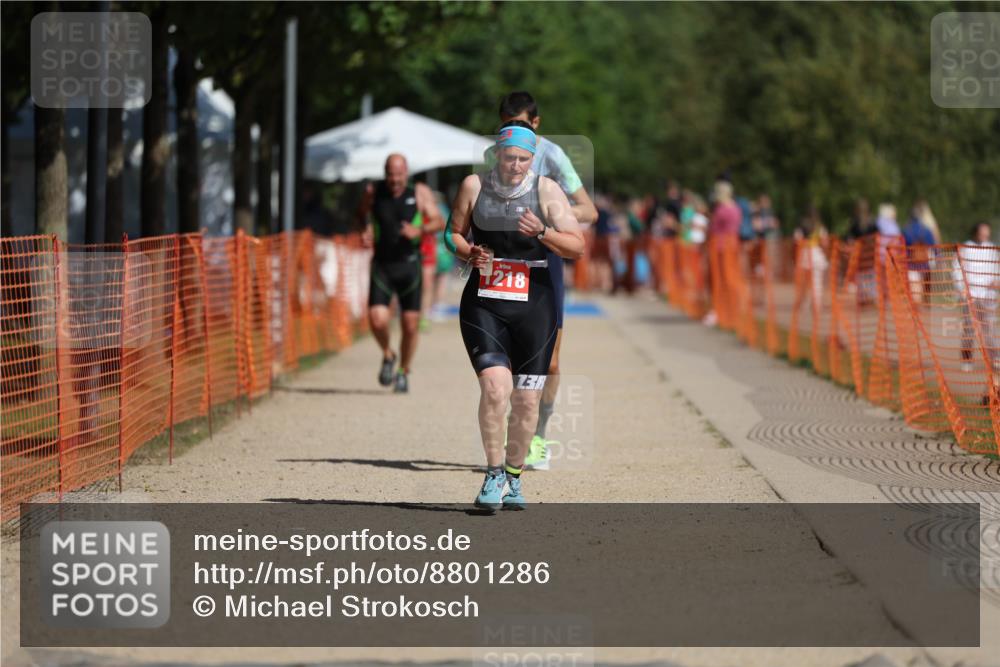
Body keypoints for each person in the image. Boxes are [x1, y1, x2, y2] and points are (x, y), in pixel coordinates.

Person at [450, 121, 584, 510]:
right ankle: (492, 475)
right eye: (510, 158)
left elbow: (577, 246)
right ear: (497, 155)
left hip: (535, 305)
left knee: (526, 401)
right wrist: (467, 251)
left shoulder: (547, 190)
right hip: (485, 301)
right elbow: (451, 234)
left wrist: (542, 232)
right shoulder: (474, 186)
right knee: (495, 388)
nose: (516, 166)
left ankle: (513, 475)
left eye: (524, 159)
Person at [496, 92, 597, 470]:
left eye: (519, 123)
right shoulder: (497, 154)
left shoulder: (552, 155)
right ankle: (518, 424)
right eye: (505, 123)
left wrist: (551, 211)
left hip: (544, 259)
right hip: (506, 262)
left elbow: (590, 210)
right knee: (504, 358)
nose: (511, 131)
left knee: (550, 362)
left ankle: (538, 434)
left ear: (535, 124)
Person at [356, 154, 443, 393]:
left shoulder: (419, 192)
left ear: (406, 173)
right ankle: (388, 353)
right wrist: (364, 230)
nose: (394, 180)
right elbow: (361, 213)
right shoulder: (373, 191)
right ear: (385, 172)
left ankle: (404, 370)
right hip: (382, 265)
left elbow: (439, 222)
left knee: (410, 325)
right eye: (390, 174)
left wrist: (420, 229)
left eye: (399, 174)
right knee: (377, 319)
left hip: (409, 265)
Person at [954, 223, 1000, 387]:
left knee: (990, 329)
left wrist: (996, 281)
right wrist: (961, 289)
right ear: (976, 233)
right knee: (969, 328)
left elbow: (996, 269)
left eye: (986, 234)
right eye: (982, 233)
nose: (984, 236)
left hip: (988, 296)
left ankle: (995, 359)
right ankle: (967, 359)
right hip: (970, 295)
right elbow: (957, 269)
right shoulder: (966, 248)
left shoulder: (992, 249)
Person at [902, 204, 937, 303]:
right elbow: (934, 247)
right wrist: (938, 258)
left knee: (914, 293)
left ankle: (916, 313)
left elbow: (901, 248)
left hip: (910, 264)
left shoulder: (906, 231)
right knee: (923, 292)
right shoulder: (926, 230)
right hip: (925, 264)